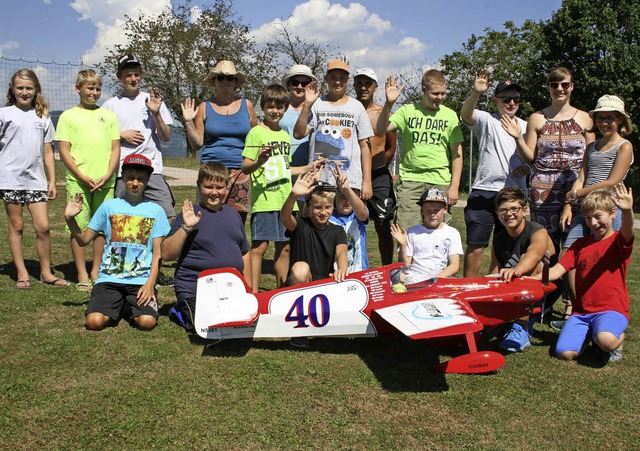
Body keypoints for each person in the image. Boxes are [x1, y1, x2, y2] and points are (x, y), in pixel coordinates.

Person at [502, 67, 595, 321]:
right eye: (555, 84)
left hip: (576, 190)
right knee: (546, 248)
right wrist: (518, 139)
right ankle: (538, 301)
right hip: (542, 192)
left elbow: (590, 158)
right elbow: (530, 157)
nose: (560, 89)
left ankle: (571, 305)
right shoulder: (537, 118)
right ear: (549, 87)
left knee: (573, 247)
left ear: (572, 86)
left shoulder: (586, 119)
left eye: (564, 84)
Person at [63, 154, 170, 331]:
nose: (135, 183)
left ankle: (126, 305)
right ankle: (119, 303)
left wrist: (150, 283)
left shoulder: (156, 211)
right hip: (109, 279)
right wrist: (69, 219)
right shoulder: (108, 207)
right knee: (94, 322)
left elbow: (158, 254)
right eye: (130, 178)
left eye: (141, 179)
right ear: (123, 177)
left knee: (147, 322)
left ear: (148, 179)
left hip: (140, 281)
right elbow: (83, 240)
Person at [534, 184, 633, 363]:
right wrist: (531, 278)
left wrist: (627, 212)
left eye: (598, 216)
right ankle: (591, 335)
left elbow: (627, 232)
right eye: (588, 218)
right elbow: (558, 270)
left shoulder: (618, 242)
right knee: (564, 353)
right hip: (582, 312)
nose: (593, 223)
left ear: (613, 213)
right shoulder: (579, 245)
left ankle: (615, 339)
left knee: (606, 341)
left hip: (612, 310)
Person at [102, 54, 175, 286]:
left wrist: (155, 112)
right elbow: (100, 137)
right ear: (120, 76)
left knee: (167, 218)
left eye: (136, 73)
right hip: (125, 171)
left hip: (152, 171)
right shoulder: (110, 105)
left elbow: (166, 136)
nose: (133, 78)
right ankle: (125, 269)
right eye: (128, 74)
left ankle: (156, 268)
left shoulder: (152, 101)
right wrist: (120, 135)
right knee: (125, 221)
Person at [242, 84, 321, 290]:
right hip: (264, 202)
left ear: (285, 108)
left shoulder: (285, 136)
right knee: (259, 248)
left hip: (286, 201)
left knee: (285, 248)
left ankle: (281, 291)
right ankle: (254, 292)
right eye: (270, 106)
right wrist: (259, 160)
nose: (274, 111)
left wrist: (308, 167)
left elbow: (284, 170)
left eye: (279, 107)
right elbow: (245, 167)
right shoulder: (255, 134)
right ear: (263, 107)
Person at [0, 69, 69, 289]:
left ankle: (46, 272)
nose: (24, 92)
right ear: (12, 89)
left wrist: (51, 180)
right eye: (20, 88)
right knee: (17, 226)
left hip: (36, 180)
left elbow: (48, 151)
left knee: (43, 227)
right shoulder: (4, 114)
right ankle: (22, 273)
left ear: (36, 89)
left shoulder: (43, 117)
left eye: (29, 88)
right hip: (10, 179)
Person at [161, 162, 251, 330]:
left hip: (228, 287)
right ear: (199, 186)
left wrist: (249, 289)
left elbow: (244, 252)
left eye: (219, 187)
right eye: (208, 187)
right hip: (195, 288)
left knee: (240, 322)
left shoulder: (234, 215)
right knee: (208, 326)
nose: (214, 192)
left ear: (226, 187)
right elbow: (166, 254)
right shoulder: (189, 214)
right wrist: (186, 228)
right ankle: (179, 310)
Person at [56, 69, 121, 291]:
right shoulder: (67, 116)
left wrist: (108, 174)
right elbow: (64, 150)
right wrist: (81, 176)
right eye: (89, 88)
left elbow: (115, 148)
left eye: (97, 89)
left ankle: (96, 269)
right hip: (79, 181)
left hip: (105, 181)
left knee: (101, 227)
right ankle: (82, 273)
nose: (94, 93)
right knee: (79, 225)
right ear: (78, 89)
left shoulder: (109, 116)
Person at [460, 70, 528, 277]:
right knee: (476, 244)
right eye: (506, 98)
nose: (511, 103)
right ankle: (468, 291)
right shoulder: (487, 119)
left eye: (515, 98)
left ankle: (496, 289)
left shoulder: (526, 126)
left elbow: (534, 157)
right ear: (496, 100)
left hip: (513, 194)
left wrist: (528, 168)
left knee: (505, 248)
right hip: (484, 191)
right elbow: (465, 114)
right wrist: (476, 92)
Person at [377, 70, 464, 229]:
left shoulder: (450, 116)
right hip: (411, 181)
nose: (440, 97)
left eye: (443, 93)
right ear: (423, 90)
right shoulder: (407, 111)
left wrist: (454, 186)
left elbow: (457, 155)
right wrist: (389, 104)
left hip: (440, 181)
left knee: (438, 234)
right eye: (436, 93)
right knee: (406, 233)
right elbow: (381, 128)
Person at [181, 60, 258, 223]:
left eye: (230, 78)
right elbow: (197, 144)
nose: (225, 82)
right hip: (211, 170)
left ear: (236, 82)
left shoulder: (247, 106)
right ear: (214, 81)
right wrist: (188, 122)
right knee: (207, 217)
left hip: (240, 171)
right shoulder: (204, 107)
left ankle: (233, 249)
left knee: (236, 220)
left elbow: (255, 138)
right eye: (221, 78)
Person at [293, 59, 374, 198]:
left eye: (342, 78)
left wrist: (367, 181)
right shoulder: (316, 104)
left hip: (349, 179)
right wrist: (307, 105)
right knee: (319, 217)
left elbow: (365, 147)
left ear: (348, 81)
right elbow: (299, 134)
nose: (337, 82)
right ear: (326, 79)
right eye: (333, 78)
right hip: (318, 177)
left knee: (347, 218)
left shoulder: (357, 107)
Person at [489, 187, 556, 352]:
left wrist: (516, 271)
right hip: (514, 284)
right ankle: (501, 321)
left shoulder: (538, 231)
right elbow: (494, 270)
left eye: (514, 209)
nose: (509, 214)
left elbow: (535, 254)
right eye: (503, 210)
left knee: (529, 263)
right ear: (497, 213)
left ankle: (521, 327)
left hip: (545, 282)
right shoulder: (498, 239)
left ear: (524, 210)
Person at [353, 68, 398, 265]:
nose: (363, 87)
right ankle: (352, 267)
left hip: (379, 176)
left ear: (375, 87)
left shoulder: (384, 113)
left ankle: (387, 269)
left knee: (383, 224)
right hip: (353, 174)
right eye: (360, 83)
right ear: (354, 85)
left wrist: (376, 169)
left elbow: (390, 147)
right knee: (351, 222)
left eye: (368, 83)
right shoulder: (347, 111)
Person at [281, 171, 348, 285]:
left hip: (324, 283)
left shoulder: (338, 231)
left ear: (333, 207)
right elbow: (285, 217)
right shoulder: (301, 225)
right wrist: (293, 195)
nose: (323, 212)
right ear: (309, 207)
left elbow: (342, 252)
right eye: (317, 207)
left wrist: (342, 269)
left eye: (327, 207)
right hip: (299, 282)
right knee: (301, 269)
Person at [390, 188, 463, 284]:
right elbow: (405, 265)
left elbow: (454, 265)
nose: (432, 214)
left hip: (441, 277)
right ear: (422, 211)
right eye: (428, 210)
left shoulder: (452, 233)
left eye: (436, 210)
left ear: (445, 209)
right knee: (393, 277)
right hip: (416, 277)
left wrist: (434, 279)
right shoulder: (413, 232)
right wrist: (403, 245)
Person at [280, 64, 316, 210]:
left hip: (307, 171)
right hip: (283, 169)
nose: (300, 86)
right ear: (289, 85)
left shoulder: (316, 109)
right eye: (295, 82)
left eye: (305, 83)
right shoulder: (278, 108)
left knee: (304, 218)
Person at [329, 165, 369, 273]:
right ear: (335, 197)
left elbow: (362, 213)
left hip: (359, 273)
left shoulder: (358, 217)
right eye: (342, 196)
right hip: (334, 274)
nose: (347, 201)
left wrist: (346, 190)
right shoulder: (328, 217)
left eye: (351, 197)